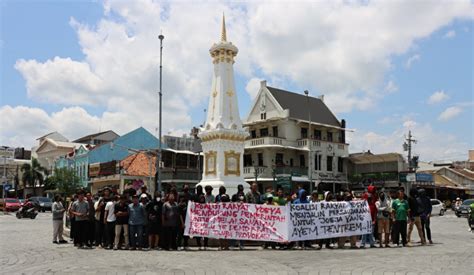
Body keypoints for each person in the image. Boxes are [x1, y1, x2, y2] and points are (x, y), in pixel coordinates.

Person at [230, 184, 246, 250]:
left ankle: (242, 244)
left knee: (242, 230)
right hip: (235, 216)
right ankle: (232, 244)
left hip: (243, 216)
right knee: (234, 230)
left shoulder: (244, 196)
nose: (241, 190)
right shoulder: (234, 196)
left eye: (241, 189)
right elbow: (231, 204)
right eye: (240, 189)